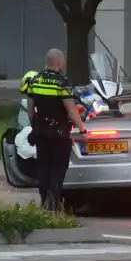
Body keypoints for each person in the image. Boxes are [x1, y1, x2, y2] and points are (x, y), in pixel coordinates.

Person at [24, 49, 86, 212]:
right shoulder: (62, 83)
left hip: (40, 133)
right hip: (59, 134)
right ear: (59, 63)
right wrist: (82, 129)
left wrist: (36, 126)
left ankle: (44, 203)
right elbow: (72, 112)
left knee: (43, 168)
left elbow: (30, 110)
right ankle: (55, 206)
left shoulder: (34, 80)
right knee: (57, 171)